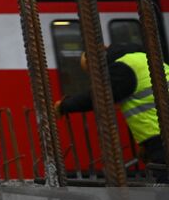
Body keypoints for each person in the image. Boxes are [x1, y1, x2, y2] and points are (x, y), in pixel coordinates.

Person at [59, 46, 167, 182]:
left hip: (161, 136)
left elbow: (98, 97)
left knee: (164, 192)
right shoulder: (140, 59)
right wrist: (146, 144)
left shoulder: (122, 69)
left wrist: (64, 106)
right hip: (159, 136)